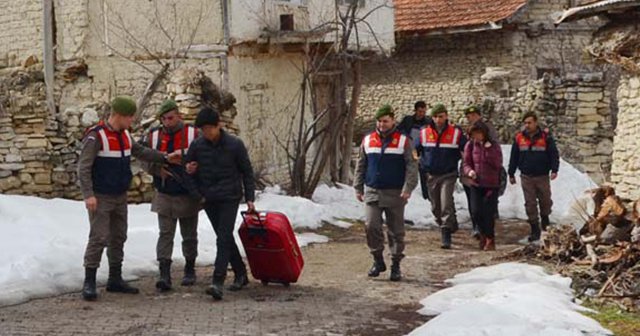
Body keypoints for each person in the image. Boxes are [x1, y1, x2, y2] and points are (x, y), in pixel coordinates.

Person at [78, 96, 182, 301]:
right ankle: (89, 281)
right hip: (101, 196)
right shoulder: (96, 136)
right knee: (98, 237)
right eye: (129, 117)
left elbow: (140, 151)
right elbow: (84, 167)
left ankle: (114, 278)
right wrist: (88, 195)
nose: (132, 121)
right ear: (118, 115)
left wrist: (165, 157)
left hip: (119, 195)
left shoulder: (125, 135)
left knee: (119, 237)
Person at [184, 107, 256, 300]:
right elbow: (187, 171)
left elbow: (247, 172)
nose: (206, 133)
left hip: (230, 197)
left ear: (218, 126)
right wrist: (198, 195)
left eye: (209, 128)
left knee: (223, 236)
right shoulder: (198, 146)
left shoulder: (235, 145)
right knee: (224, 236)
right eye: (202, 129)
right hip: (208, 198)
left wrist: (250, 198)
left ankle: (218, 281)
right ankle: (241, 274)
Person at [140, 100, 201, 291]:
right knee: (165, 234)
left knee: (189, 235)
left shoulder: (194, 133)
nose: (167, 122)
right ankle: (164, 274)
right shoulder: (153, 135)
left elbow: (204, 156)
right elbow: (143, 157)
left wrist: (190, 164)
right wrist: (157, 171)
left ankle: (190, 269)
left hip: (187, 193)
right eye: (164, 119)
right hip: (164, 192)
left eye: (171, 118)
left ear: (179, 116)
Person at [354, 104, 418, 282]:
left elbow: (412, 167)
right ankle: (377, 259)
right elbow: (361, 165)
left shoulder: (404, 141)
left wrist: (408, 188)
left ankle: (396, 264)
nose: (382, 124)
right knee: (371, 226)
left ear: (393, 121)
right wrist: (358, 187)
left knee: (395, 231)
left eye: (386, 121)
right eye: (379, 121)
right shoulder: (367, 139)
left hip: (395, 192)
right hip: (373, 190)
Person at [416, 103, 467, 249]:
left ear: (446, 116)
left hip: (448, 173)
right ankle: (450, 222)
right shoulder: (424, 132)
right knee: (435, 206)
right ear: (432, 117)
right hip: (431, 174)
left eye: (441, 116)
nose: (438, 119)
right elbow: (416, 149)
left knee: (445, 202)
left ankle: (446, 234)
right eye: (436, 116)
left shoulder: (456, 133)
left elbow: (465, 149)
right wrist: (417, 159)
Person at [508, 112, 559, 242]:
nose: (527, 125)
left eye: (530, 122)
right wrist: (511, 173)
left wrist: (554, 169)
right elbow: (514, 156)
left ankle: (545, 220)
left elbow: (553, 154)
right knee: (530, 203)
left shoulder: (546, 137)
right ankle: (534, 229)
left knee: (545, 200)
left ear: (536, 122)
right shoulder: (519, 138)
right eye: (525, 123)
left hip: (542, 175)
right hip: (526, 176)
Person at [461, 105, 501, 237]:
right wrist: (468, 171)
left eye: (472, 115)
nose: (470, 118)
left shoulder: (489, 130)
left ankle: (488, 235)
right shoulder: (469, 140)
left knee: (487, 210)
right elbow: (466, 158)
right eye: (468, 116)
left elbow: (497, 160)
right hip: (473, 178)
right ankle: (477, 228)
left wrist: (487, 150)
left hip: (489, 179)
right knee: (475, 208)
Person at [398, 101, 431, 200]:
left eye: (424, 112)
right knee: (408, 169)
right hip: (409, 149)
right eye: (420, 111)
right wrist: (406, 136)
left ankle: (426, 196)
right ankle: (405, 191)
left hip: (422, 151)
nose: (422, 114)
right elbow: (399, 130)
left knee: (423, 172)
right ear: (415, 111)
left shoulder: (428, 122)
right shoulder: (407, 120)